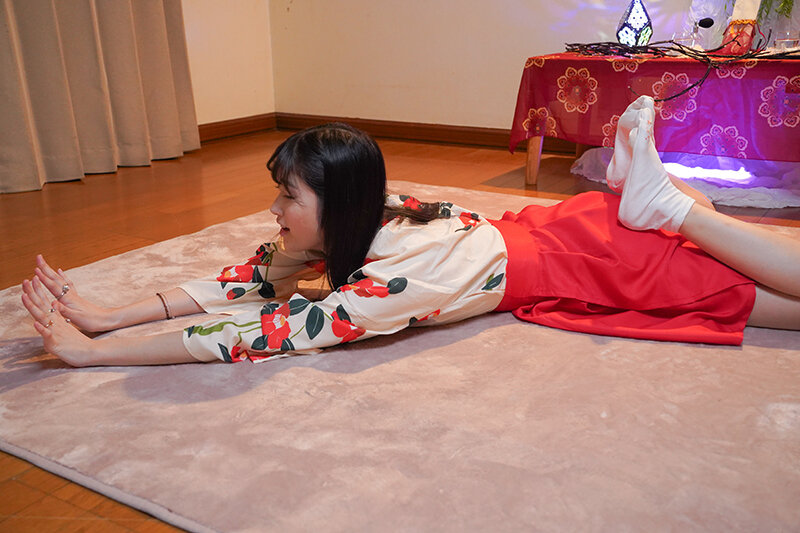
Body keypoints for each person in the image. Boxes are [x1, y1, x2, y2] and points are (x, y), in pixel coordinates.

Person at [21, 97, 800, 367]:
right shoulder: (376, 208)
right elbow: (247, 283)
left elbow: (252, 333)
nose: (274, 213)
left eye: (286, 196)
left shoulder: (389, 287)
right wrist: (108, 316)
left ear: (335, 203)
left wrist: (94, 356)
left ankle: (669, 208)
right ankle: (657, 201)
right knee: (763, 261)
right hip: (562, 228)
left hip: (592, 265)